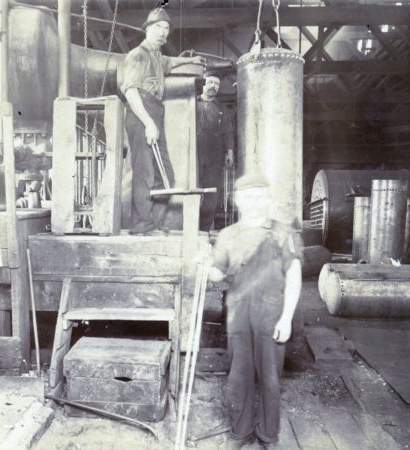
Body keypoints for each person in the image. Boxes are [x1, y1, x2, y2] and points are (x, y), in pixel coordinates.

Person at [208, 173, 303, 448]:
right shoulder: (227, 235)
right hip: (238, 314)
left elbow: (294, 278)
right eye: (248, 197)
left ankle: (267, 435)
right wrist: (204, 265)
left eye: (260, 196)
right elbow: (217, 273)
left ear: (269, 198)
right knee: (239, 376)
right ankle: (241, 432)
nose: (254, 202)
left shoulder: (284, 234)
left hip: (271, 314)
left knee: (271, 379)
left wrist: (286, 318)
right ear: (237, 200)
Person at [120, 8, 203, 235]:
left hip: (155, 111)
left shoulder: (157, 56)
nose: (163, 33)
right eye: (158, 28)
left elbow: (169, 62)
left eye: (166, 29)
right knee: (145, 172)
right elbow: (131, 92)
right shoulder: (138, 55)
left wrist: (191, 59)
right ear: (147, 29)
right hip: (141, 112)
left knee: (166, 175)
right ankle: (141, 225)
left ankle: (151, 223)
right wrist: (148, 122)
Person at [196, 72, 234, 231]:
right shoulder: (191, 103)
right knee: (193, 191)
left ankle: (204, 230)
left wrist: (230, 152)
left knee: (212, 195)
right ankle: (189, 227)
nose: (213, 86)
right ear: (202, 84)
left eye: (217, 84)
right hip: (193, 155)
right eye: (210, 82)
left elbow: (228, 132)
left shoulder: (222, 109)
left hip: (214, 157)